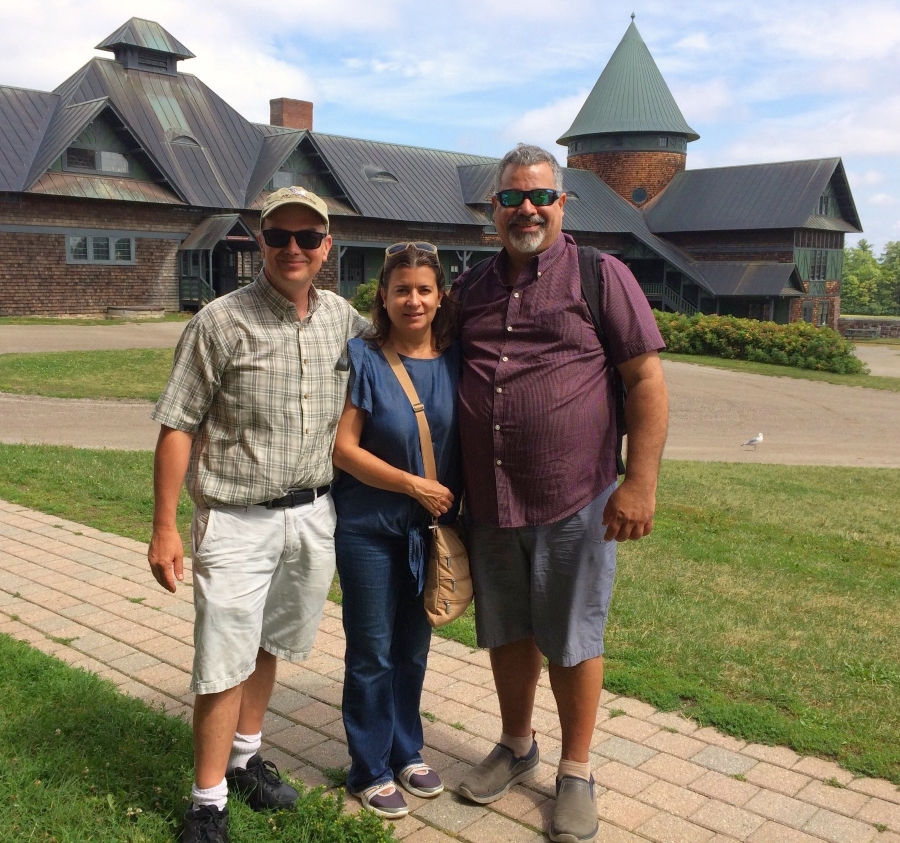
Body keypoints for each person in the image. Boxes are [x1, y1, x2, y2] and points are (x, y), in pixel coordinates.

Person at [453, 145, 669, 843]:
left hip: (575, 496)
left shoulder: (603, 277)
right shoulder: (472, 287)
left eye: (541, 197)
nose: (527, 209)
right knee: (509, 631)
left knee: (573, 638)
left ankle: (575, 771)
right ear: (494, 210)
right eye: (513, 197)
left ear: (562, 203)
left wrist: (640, 482)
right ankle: (517, 746)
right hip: (490, 497)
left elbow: (646, 382)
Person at [148, 186, 366, 843]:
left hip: (310, 515)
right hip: (237, 516)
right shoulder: (219, 321)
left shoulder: (345, 322)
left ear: (327, 246)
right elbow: (177, 424)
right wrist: (163, 526)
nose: (293, 248)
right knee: (222, 656)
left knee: (271, 639)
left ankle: (245, 758)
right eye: (280, 236)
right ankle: (207, 801)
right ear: (259, 241)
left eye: (308, 237)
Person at [331, 242, 462, 818]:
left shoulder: (457, 361)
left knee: (413, 648)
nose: (413, 300)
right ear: (382, 296)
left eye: (424, 289)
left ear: (441, 296)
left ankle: (407, 750)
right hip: (369, 529)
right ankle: (369, 767)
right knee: (372, 653)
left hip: (427, 535)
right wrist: (413, 485)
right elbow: (344, 450)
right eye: (401, 289)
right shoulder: (364, 358)